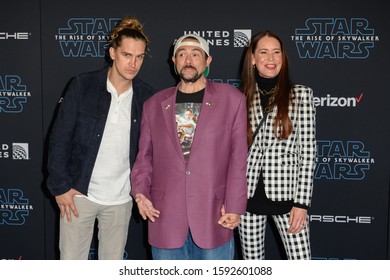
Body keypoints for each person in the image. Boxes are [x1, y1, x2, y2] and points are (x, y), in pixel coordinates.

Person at [46, 16, 155, 260]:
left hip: (120, 199)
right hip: (78, 194)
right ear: (112, 53)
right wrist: (60, 186)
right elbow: (59, 137)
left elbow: (149, 152)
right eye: (127, 55)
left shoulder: (147, 96)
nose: (133, 64)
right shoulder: (83, 86)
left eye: (139, 57)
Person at [130, 34, 248, 260]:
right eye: (182, 54)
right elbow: (144, 159)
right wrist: (140, 193)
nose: (188, 60)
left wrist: (234, 206)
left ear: (208, 60)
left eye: (196, 54)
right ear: (174, 61)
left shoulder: (232, 100)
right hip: (165, 218)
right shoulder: (153, 105)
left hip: (214, 216)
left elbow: (238, 159)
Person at [238, 31, 316, 260]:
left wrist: (302, 203)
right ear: (252, 58)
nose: (271, 58)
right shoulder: (241, 97)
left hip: (289, 199)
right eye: (263, 52)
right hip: (248, 198)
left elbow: (308, 152)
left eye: (276, 52)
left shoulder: (301, 95)